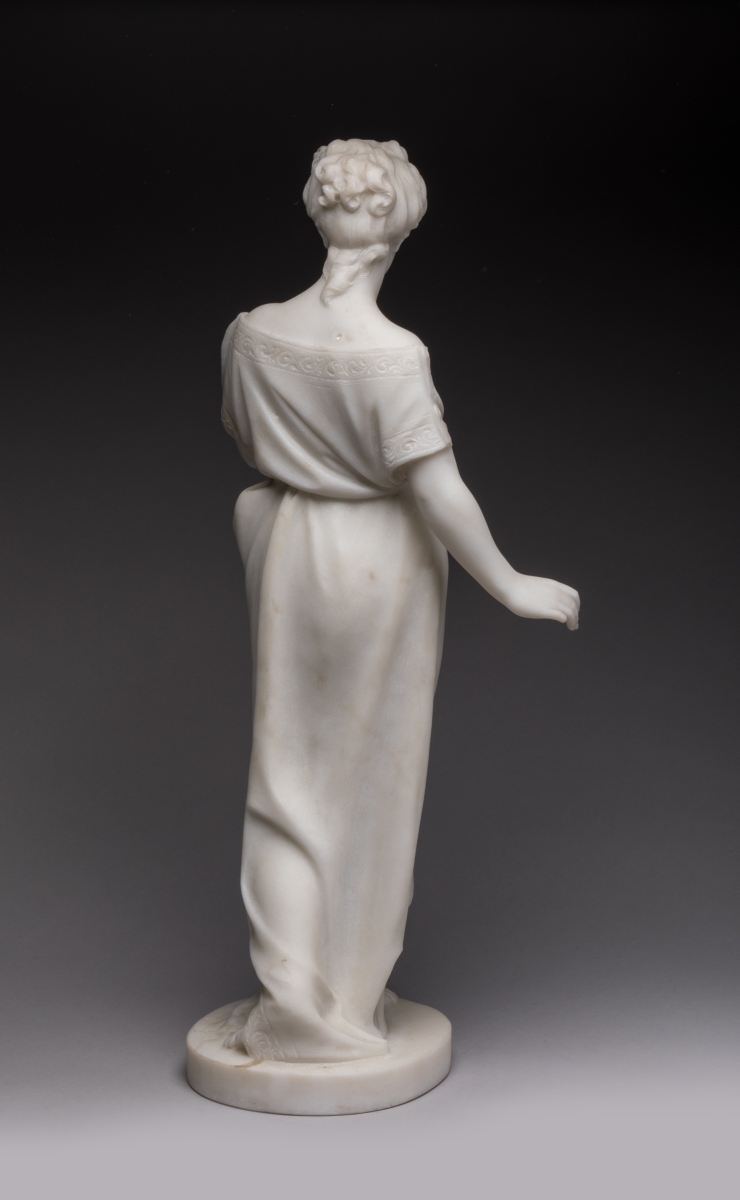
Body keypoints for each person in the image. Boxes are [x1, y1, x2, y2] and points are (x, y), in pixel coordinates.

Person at [220, 138, 580, 1064]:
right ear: (400, 231)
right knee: (368, 784)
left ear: (319, 212)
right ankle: (339, 1005)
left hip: (288, 547)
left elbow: (244, 437)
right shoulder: (391, 355)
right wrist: (510, 583)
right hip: (376, 559)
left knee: (286, 780)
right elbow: (436, 490)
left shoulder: (251, 332)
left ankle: (291, 1000)